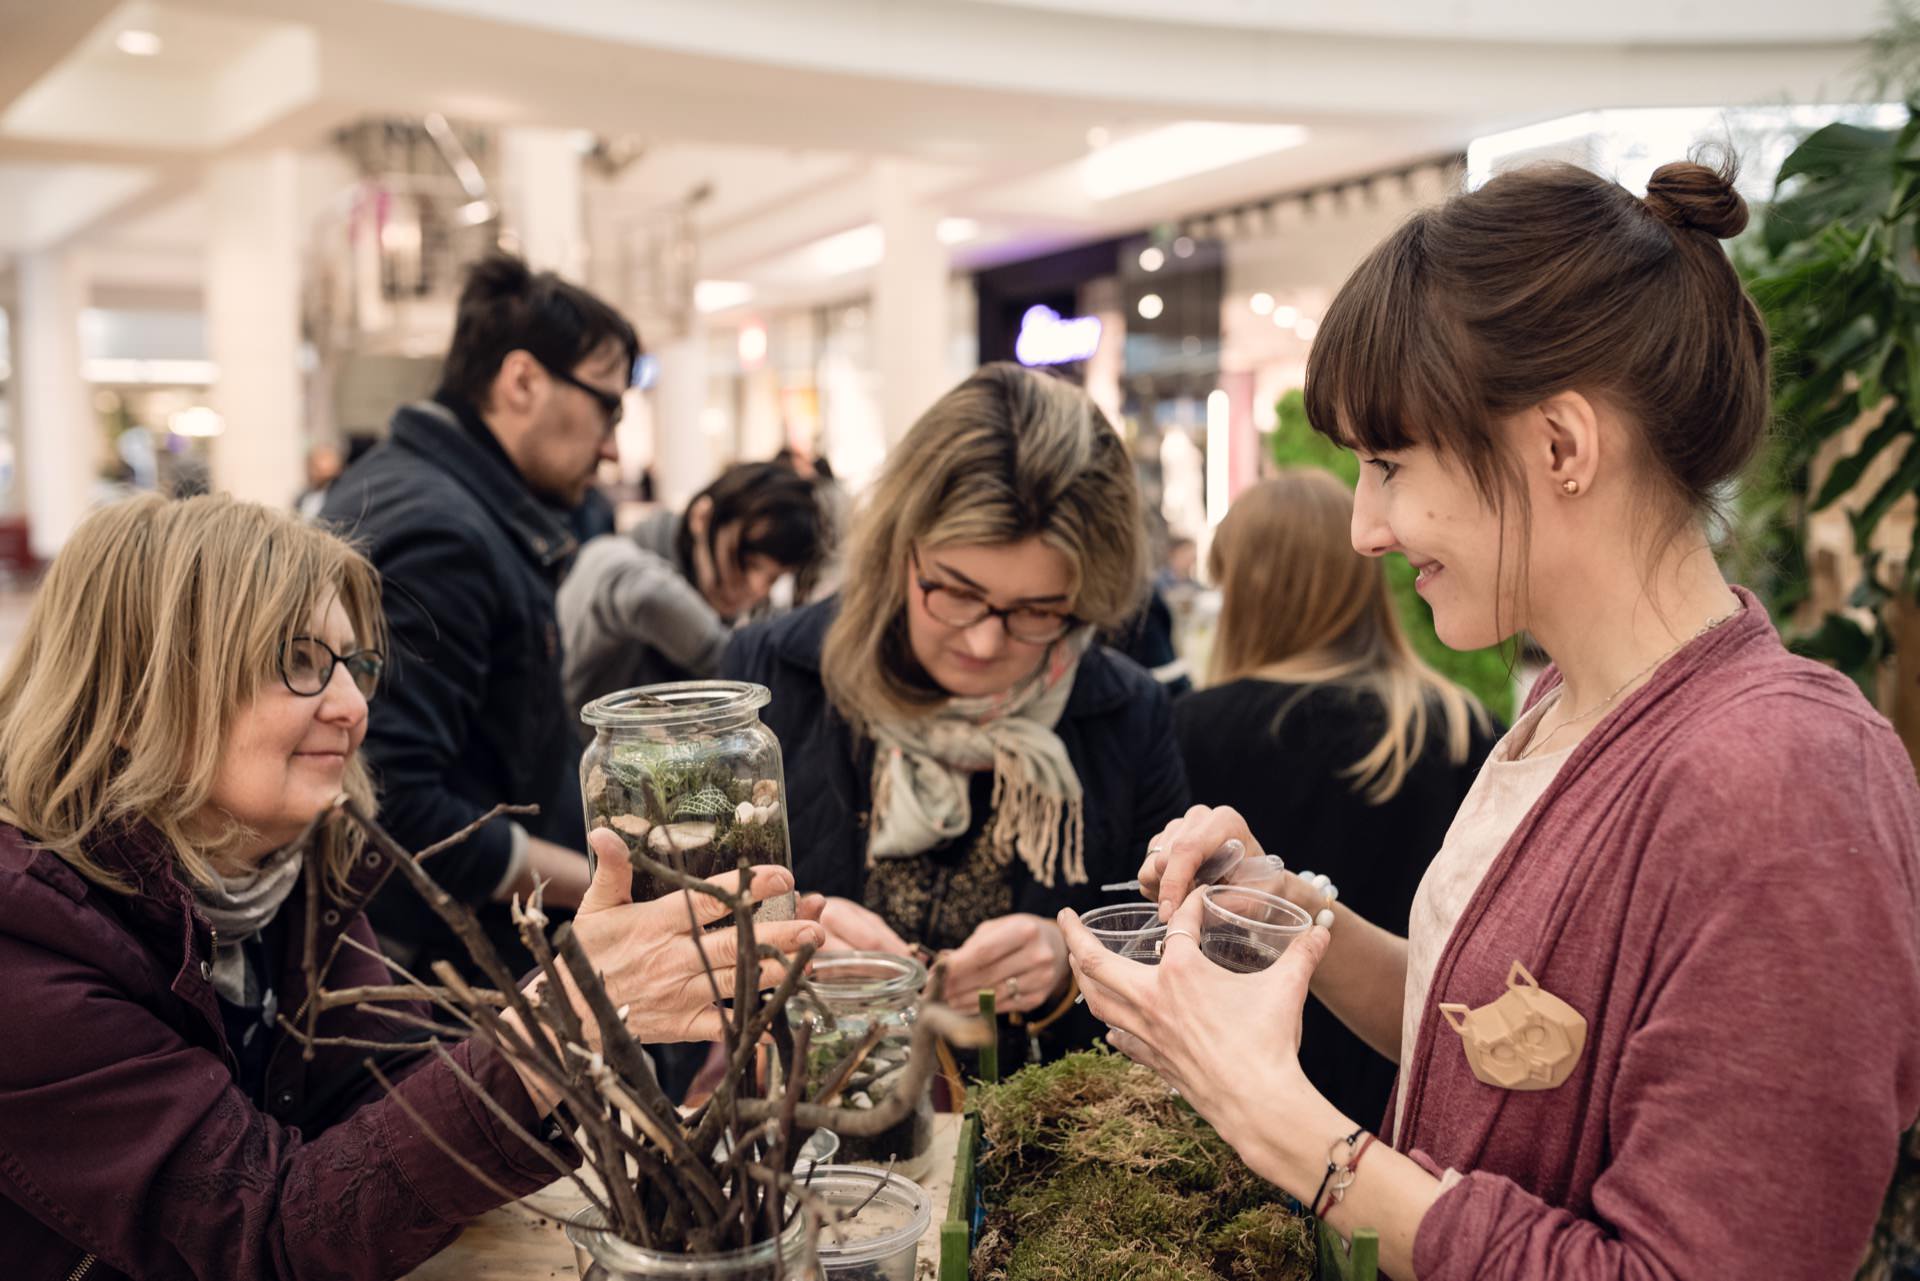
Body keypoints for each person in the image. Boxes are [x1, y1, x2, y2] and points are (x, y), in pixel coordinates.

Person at [1062, 158, 1920, 1280]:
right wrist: (1291, 914)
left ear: (1560, 446)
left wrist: (1276, 1117)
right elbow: (1499, 1051)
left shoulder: (1785, 775)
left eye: (1389, 464)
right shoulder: (1571, 702)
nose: (1366, 527)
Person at [0, 493, 820, 1280]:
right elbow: (262, 1238)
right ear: (146, 687)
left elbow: (386, 1119)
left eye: (353, 664)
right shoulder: (27, 949)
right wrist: (563, 1018)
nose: (354, 705)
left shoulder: (291, 870)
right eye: (298, 662)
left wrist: (606, 1006)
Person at [725, 362, 1190, 1065]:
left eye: (1038, 610)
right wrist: (787, 928)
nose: (983, 640)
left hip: (1034, 1152)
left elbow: (1168, 960)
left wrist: (1073, 961)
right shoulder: (771, 677)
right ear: (898, 547)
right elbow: (683, 927)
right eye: (956, 590)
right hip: (804, 1145)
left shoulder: (1124, 710)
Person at [320, 254, 636, 973]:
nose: (613, 445)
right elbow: (392, 810)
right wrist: (605, 885)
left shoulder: (421, 493)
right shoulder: (444, 535)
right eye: (607, 405)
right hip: (448, 977)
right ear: (522, 380)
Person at [1175, 468, 1496, 1125]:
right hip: (1411, 1096)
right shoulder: (1463, 726)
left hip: (1243, 1107)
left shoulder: (1194, 729)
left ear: (1246, 587)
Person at [559, 461, 829, 713]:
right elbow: (642, 594)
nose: (757, 588)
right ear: (702, 517)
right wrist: (734, 658)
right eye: (747, 563)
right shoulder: (615, 561)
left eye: (773, 578)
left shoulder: (739, 610)